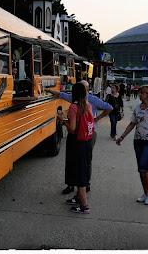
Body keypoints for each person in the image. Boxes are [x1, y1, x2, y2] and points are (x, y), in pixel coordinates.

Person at [46, 80, 112, 195]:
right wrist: (49, 90)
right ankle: (75, 185)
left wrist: (97, 119)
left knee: (83, 161)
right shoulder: (82, 102)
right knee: (77, 161)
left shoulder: (88, 101)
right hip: (81, 135)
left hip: (83, 135)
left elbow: (109, 107)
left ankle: (84, 185)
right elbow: (61, 94)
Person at [116, 84, 148, 205]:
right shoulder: (138, 108)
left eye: (141, 93)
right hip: (138, 141)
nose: (139, 95)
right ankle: (145, 192)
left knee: (144, 166)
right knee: (141, 168)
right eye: (139, 93)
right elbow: (132, 124)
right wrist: (122, 137)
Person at [58, 83, 94, 214]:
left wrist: (63, 121)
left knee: (78, 172)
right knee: (82, 169)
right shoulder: (87, 105)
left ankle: (84, 206)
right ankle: (78, 198)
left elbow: (72, 128)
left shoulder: (73, 107)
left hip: (75, 141)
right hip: (85, 141)